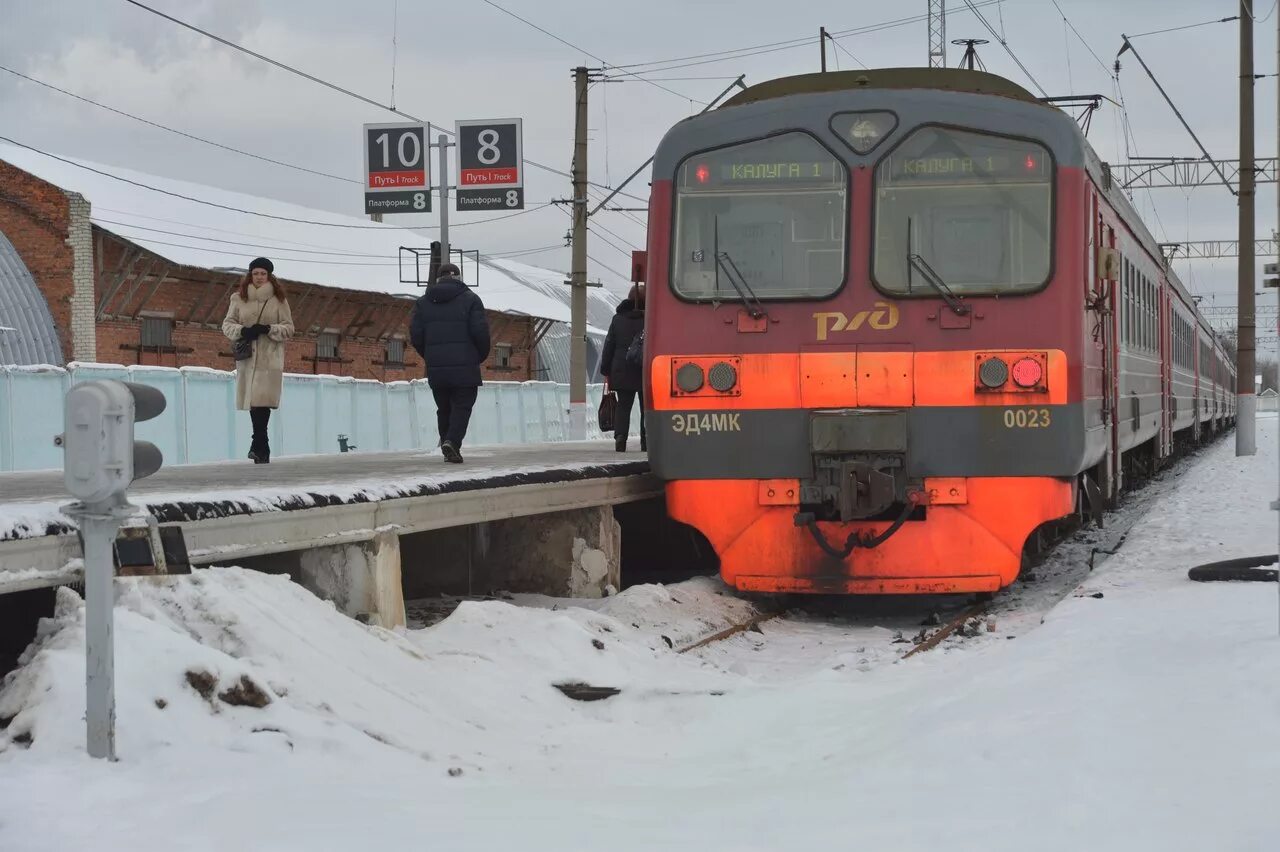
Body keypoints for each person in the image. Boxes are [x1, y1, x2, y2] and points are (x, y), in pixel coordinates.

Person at [409, 263, 491, 463]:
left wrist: (430, 356)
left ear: (438, 279)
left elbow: (416, 336)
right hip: (465, 366)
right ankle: (452, 442)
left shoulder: (423, 303)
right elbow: (480, 333)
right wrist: (477, 356)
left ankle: (447, 444)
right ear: (459, 277)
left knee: (444, 407)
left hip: (437, 368)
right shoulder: (471, 300)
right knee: (462, 406)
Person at [222, 257, 294, 464]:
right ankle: (261, 446)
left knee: (260, 402)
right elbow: (227, 325)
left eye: (263, 274)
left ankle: (259, 444)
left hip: (269, 358)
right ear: (250, 275)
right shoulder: (238, 298)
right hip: (247, 358)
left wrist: (269, 329)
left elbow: (289, 328)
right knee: (253, 402)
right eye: (256, 273)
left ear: (269, 276)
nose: (259, 277)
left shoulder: (279, 300)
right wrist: (243, 330)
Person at [600, 284, 646, 452]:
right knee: (646, 407)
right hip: (644, 369)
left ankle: (620, 438)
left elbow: (609, 345)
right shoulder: (650, 318)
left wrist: (605, 369)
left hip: (622, 369)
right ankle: (646, 441)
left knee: (623, 406)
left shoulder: (617, 319)